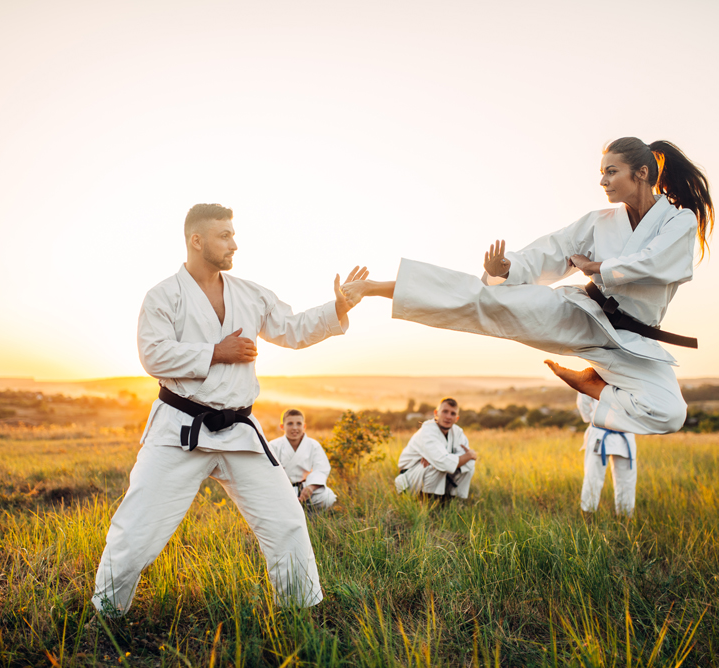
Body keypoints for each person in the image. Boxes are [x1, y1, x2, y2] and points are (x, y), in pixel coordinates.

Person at [91, 203, 367, 615]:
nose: (234, 243)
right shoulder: (163, 296)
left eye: (233, 234)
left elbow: (291, 329)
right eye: (225, 235)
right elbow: (152, 355)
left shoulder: (249, 293)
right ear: (196, 240)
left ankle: (298, 614)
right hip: (181, 428)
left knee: (286, 521)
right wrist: (216, 352)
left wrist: (339, 308)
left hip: (239, 428)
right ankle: (107, 613)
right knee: (137, 531)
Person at [342, 138, 714, 436]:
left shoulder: (678, 221)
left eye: (611, 172)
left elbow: (656, 262)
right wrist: (507, 268)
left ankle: (593, 386)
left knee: (670, 413)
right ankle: (375, 287)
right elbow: (552, 251)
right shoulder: (600, 221)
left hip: (632, 341)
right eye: (601, 173)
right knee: (486, 300)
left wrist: (597, 266)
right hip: (582, 315)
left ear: (642, 172)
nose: (602, 181)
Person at [395, 397, 478, 500]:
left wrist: (441, 458)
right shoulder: (428, 429)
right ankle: (427, 505)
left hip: (435, 473)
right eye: (445, 411)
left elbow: (449, 460)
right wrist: (469, 455)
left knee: (469, 466)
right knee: (435, 466)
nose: (448, 416)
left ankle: (452, 501)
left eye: (452, 413)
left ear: (457, 418)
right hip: (410, 474)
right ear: (436, 413)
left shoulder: (458, 432)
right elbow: (443, 462)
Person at [576, 394, 637, 517]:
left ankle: (589, 514)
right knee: (624, 480)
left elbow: (583, 400)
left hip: (609, 431)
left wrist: (591, 418)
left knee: (593, 477)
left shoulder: (598, 373)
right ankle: (624, 516)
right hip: (608, 432)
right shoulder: (636, 375)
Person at [268, 409, 337, 510]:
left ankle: (309, 516)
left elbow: (321, 469)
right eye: (290, 423)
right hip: (281, 489)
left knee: (328, 497)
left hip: (305, 489)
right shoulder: (273, 445)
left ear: (304, 426)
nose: (294, 428)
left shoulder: (313, 445)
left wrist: (310, 487)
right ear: (282, 426)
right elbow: (268, 471)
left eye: (298, 423)